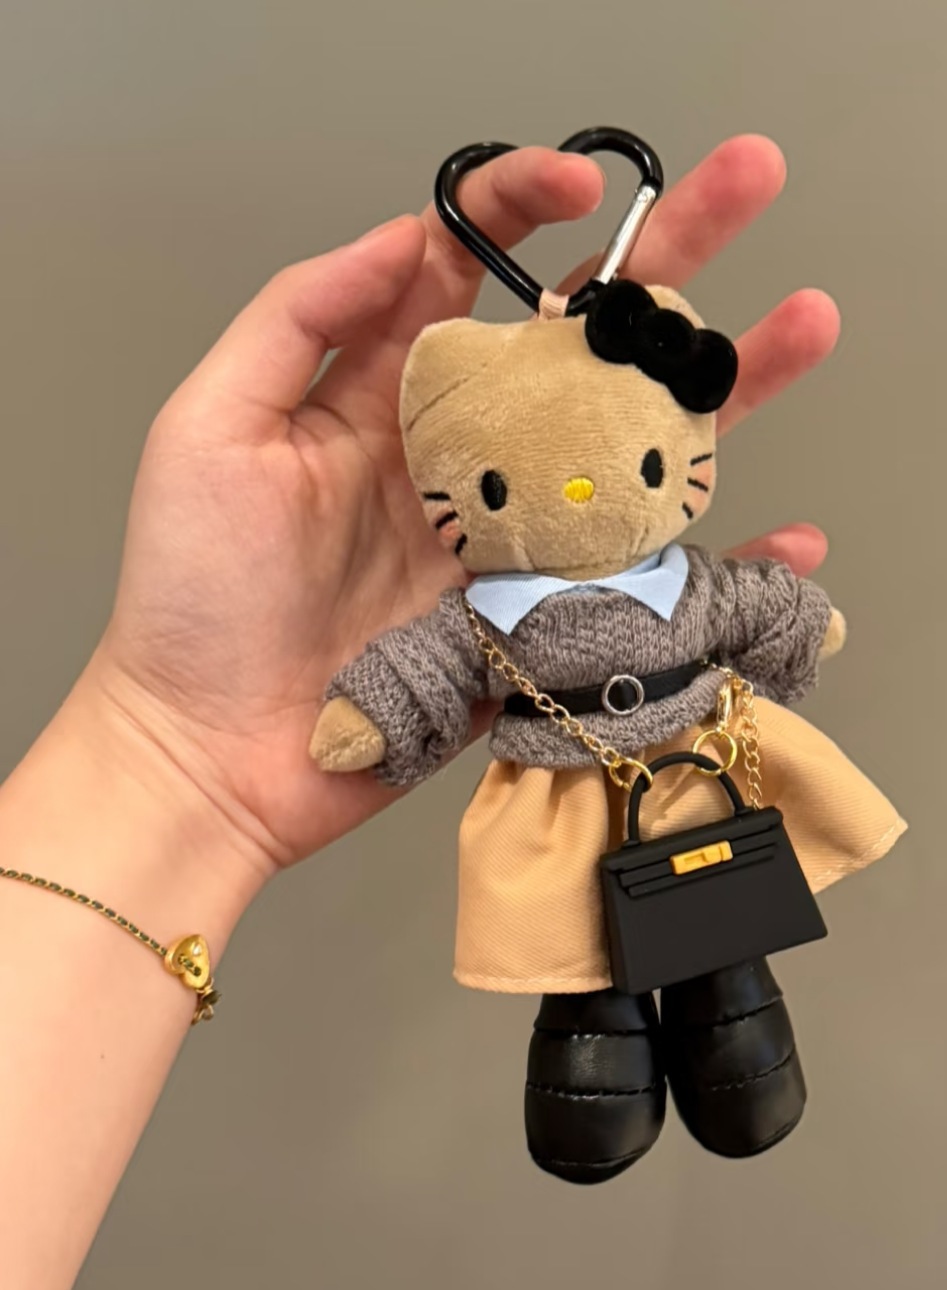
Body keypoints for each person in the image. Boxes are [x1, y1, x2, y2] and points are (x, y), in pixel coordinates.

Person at [0, 135, 843, 1288]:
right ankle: (593, 1048)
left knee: (722, 944)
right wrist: (209, 736)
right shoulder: (487, 618)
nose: (584, 490)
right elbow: (431, 665)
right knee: (578, 953)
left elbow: (752, 601)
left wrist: (794, 624)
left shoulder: (685, 587)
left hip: (692, 772)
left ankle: (734, 1022)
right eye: (495, 486)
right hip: (563, 796)